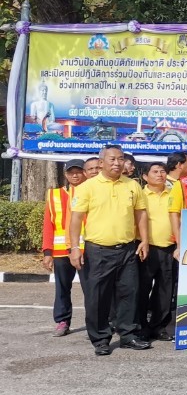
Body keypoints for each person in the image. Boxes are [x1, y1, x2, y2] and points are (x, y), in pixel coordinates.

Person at [68, 146, 150, 356]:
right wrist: (75, 247)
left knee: (129, 293)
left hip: (127, 249)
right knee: (97, 297)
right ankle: (100, 339)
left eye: (120, 159)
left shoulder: (132, 185)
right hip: (98, 251)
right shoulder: (88, 187)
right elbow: (76, 219)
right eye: (112, 159)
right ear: (101, 162)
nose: (117, 163)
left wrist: (145, 240)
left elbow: (141, 214)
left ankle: (128, 335)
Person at [43, 158, 85, 337]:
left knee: (91, 289)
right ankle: (62, 321)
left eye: (78, 172)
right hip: (60, 251)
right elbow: (48, 224)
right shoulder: (54, 195)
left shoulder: (90, 192)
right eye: (71, 172)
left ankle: (96, 322)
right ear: (65, 174)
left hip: (85, 249)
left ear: (84, 173)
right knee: (62, 288)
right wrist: (47, 252)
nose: (75, 175)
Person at [137, 161, 177, 342]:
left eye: (162, 171)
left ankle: (159, 326)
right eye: (155, 171)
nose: (160, 174)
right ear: (145, 176)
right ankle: (141, 326)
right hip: (146, 247)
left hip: (169, 248)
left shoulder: (173, 193)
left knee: (165, 289)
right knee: (142, 289)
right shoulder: (140, 195)